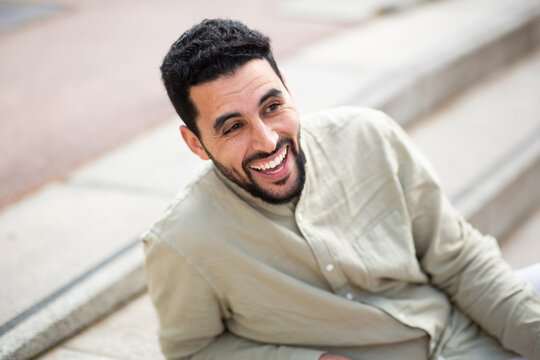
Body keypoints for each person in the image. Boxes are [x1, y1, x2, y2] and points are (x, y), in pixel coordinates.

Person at [141, 19, 540, 360]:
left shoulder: (369, 136)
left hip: (462, 335)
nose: (266, 141)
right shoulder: (181, 241)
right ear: (195, 143)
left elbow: (460, 261)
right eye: (233, 127)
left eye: (272, 107)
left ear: (288, 91)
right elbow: (192, 352)